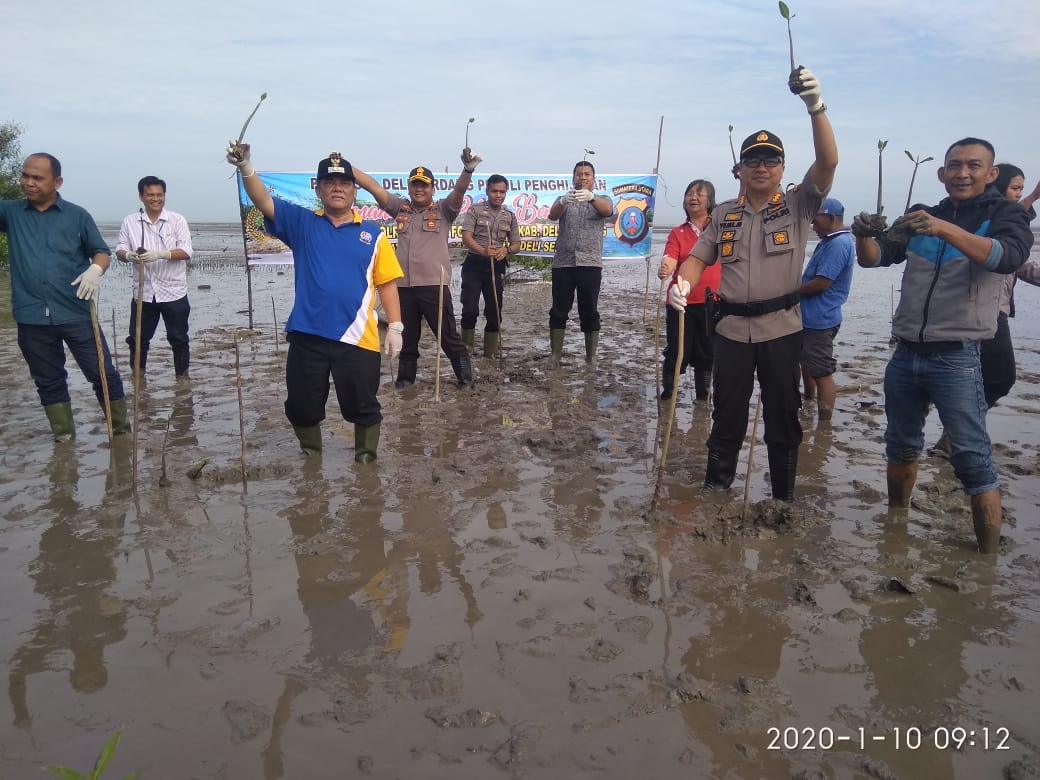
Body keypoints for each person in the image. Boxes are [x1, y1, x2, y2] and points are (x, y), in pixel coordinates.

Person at [853, 137, 1034, 553]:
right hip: (905, 355)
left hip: (958, 358)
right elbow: (875, 258)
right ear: (942, 172)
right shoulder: (924, 217)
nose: (962, 173)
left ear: (991, 174)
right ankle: (896, 526)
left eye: (973, 166)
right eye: (954, 165)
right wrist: (863, 235)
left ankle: (987, 556)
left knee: (972, 457)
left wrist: (943, 228)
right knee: (900, 445)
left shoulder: (1006, 215)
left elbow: (1004, 258)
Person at [669, 66, 838, 502]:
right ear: (739, 169)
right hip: (730, 332)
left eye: (771, 159)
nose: (762, 167)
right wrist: (682, 285)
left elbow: (828, 162)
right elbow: (696, 259)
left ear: (782, 168)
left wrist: (814, 107)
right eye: (753, 160)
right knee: (727, 416)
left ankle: (782, 496)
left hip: (782, 330)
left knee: (783, 417)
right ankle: (716, 487)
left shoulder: (800, 205)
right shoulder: (723, 214)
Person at [226, 145, 404, 463]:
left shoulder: (373, 235)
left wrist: (396, 326)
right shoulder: (303, 223)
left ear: (354, 190)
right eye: (330, 183)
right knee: (302, 406)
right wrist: (246, 168)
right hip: (308, 335)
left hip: (358, 339)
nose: (338, 188)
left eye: (345, 183)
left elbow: (387, 283)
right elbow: (263, 201)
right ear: (319, 189)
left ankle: (365, 459)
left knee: (363, 405)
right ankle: (311, 455)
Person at [0, 153, 129, 441]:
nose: (28, 183)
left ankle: (120, 434)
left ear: (57, 181)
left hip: (76, 311)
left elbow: (102, 251)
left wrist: (95, 269)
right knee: (48, 381)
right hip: (31, 315)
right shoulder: (10, 212)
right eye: (25, 176)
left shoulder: (77, 216)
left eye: (37, 178)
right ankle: (64, 439)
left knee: (103, 375)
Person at [352, 150, 481, 388]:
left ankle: (465, 379)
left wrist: (468, 170)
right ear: (409, 187)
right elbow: (372, 186)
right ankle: (405, 381)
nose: (419, 189)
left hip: (434, 285)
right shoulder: (400, 208)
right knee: (407, 338)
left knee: (448, 336)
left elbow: (459, 192)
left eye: (424, 185)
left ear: (432, 189)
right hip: (403, 287)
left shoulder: (444, 209)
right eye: (414, 185)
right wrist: (345, 167)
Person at [114, 175, 194, 377]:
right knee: (138, 339)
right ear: (141, 196)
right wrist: (130, 255)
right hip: (143, 293)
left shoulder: (177, 220)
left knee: (178, 338)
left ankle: (182, 380)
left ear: (164, 196)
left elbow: (186, 251)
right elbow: (120, 250)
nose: (155, 199)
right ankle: (138, 379)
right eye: (150, 195)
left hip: (174, 292)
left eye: (159, 195)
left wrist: (161, 254)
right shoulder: (131, 222)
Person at [548, 160, 616, 366]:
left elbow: (607, 211)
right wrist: (562, 202)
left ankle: (591, 356)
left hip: (590, 264)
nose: (583, 177)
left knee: (589, 311)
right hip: (563, 264)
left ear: (594, 179)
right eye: (579, 174)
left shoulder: (601, 199)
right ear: (573, 178)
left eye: (587, 174)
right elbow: (552, 216)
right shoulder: (565, 199)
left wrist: (592, 198)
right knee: (559, 309)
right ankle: (555, 355)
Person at [657, 179, 719, 402]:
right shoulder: (677, 232)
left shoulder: (719, 228)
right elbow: (670, 256)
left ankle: (703, 397)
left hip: (712, 302)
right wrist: (666, 267)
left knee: (706, 352)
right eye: (689, 193)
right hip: (680, 301)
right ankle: (669, 393)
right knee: (677, 350)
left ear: (710, 201)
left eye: (699, 194)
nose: (693, 197)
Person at [798, 197, 855, 421]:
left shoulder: (839, 244)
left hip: (821, 318)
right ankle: (808, 401)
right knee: (806, 362)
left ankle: (824, 424)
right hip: (808, 316)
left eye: (816, 221)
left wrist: (790, 292)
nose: (814, 226)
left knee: (822, 371)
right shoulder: (828, 240)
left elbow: (822, 283)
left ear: (831, 218)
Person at [459, 174, 520, 358]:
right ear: (487, 191)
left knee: (494, 310)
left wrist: (506, 251)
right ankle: (466, 349)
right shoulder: (475, 211)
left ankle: (490, 353)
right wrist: (483, 250)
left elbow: (516, 244)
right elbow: (466, 237)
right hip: (474, 265)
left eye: (502, 191)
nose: (498, 195)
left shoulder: (509, 216)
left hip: (496, 267)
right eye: (494, 191)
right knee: (470, 308)